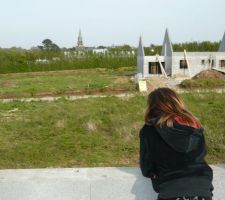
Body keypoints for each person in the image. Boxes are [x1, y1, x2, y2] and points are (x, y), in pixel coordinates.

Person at [139, 88, 213, 200]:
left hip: (170, 187)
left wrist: (152, 173)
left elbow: (146, 166)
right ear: (177, 102)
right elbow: (202, 153)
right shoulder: (193, 124)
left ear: (152, 106)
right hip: (202, 186)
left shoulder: (149, 129)